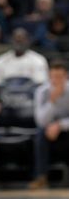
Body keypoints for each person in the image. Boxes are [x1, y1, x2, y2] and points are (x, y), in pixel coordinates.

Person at [29, 60, 69, 189]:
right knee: (40, 134)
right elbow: (40, 121)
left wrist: (60, 125)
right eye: (53, 77)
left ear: (66, 76)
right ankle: (41, 177)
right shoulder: (42, 91)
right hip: (48, 131)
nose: (56, 80)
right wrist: (52, 101)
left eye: (59, 77)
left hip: (65, 129)